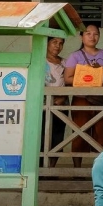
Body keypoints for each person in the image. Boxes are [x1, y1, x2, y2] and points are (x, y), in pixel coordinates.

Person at [64, 24, 103, 168]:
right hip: (81, 98)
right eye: (88, 33)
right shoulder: (75, 56)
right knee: (80, 132)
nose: (92, 37)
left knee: (102, 134)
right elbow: (67, 78)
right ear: (82, 36)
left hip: (102, 98)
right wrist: (85, 77)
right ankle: (77, 170)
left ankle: (101, 169)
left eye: (95, 34)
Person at [43, 35, 66, 167]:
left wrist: (61, 98)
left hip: (61, 105)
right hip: (42, 104)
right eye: (54, 42)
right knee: (41, 136)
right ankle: (40, 169)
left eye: (61, 43)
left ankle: (51, 168)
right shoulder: (39, 61)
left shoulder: (65, 63)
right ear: (46, 43)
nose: (58, 45)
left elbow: (69, 82)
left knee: (57, 137)